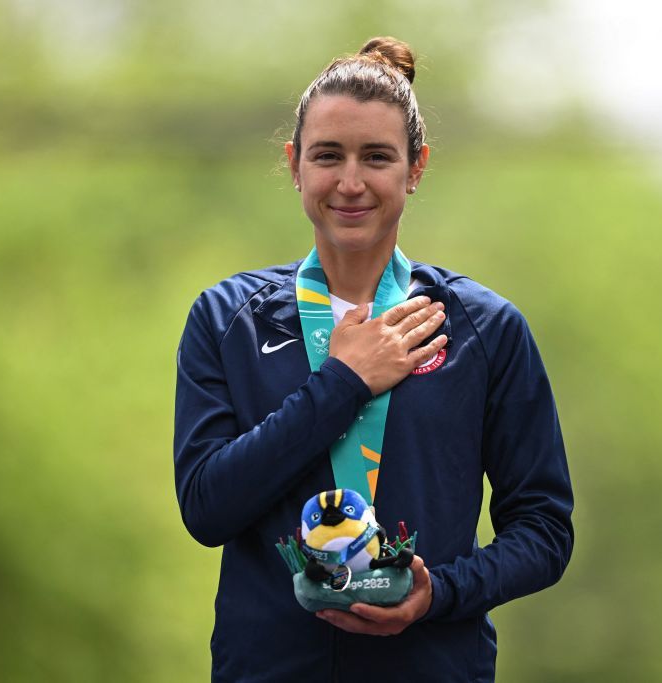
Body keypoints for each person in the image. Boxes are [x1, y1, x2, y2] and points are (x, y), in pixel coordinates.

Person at [174, 37, 573, 682]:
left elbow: (545, 530)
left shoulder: (484, 329)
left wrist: (437, 595)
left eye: (377, 158)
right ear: (295, 164)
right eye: (328, 155)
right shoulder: (226, 321)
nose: (351, 182)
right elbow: (205, 508)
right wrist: (342, 383)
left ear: (416, 168)